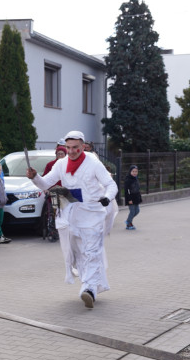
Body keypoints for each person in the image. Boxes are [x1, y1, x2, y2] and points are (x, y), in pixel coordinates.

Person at [26, 130, 117, 308]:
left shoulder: (93, 163)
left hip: (93, 214)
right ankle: (90, 284)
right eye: (68, 148)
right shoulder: (61, 164)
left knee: (92, 251)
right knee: (77, 253)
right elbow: (46, 183)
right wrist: (35, 177)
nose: (71, 151)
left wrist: (107, 197)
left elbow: (110, 184)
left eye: (75, 147)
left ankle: (89, 289)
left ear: (83, 146)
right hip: (72, 215)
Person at [41, 144, 67, 242]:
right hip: (54, 192)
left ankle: (66, 231)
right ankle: (53, 232)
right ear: (56, 154)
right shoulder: (50, 165)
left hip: (65, 192)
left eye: (62, 154)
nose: (60, 155)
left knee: (66, 212)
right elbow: (44, 178)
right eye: (58, 154)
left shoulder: (68, 164)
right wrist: (45, 188)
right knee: (54, 212)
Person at [123, 165, 141, 230]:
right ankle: (129, 224)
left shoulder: (136, 178)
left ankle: (128, 221)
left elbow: (137, 189)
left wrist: (139, 197)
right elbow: (127, 191)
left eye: (136, 171)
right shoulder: (128, 179)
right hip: (131, 198)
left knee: (137, 211)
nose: (135, 173)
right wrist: (129, 199)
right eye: (133, 171)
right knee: (132, 211)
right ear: (130, 171)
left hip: (136, 198)